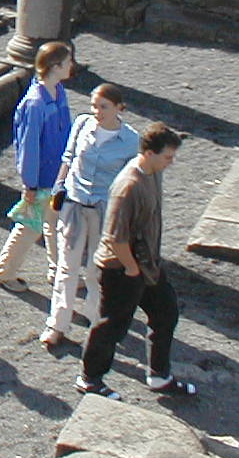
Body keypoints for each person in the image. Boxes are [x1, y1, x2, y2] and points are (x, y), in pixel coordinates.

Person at [76, 122, 197, 400]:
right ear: (149, 153)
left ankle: (159, 376)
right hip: (122, 268)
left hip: (146, 265)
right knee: (112, 326)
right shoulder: (129, 186)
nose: (171, 162)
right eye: (168, 156)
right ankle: (90, 379)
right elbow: (116, 238)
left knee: (165, 312)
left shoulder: (152, 172)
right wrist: (131, 269)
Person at [41, 83, 138, 347]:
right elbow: (68, 157)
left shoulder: (131, 141)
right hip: (74, 204)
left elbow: (130, 180)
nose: (97, 111)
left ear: (119, 108)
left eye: (103, 106)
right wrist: (59, 187)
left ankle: (97, 322)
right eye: (94, 105)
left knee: (97, 271)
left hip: (104, 211)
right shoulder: (83, 124)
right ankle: (57, 324)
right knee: (67, 266)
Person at [0, 41, 74, 292]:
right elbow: (28, 147)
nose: (72, 66)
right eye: (68, 62)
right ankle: (3, 272)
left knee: (54, 224)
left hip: (56, 176)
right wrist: (30, 183)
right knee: (30, 227)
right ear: (55, 66)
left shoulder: (58, 92)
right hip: (43, 179)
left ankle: (57, 271)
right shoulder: (35, 104)